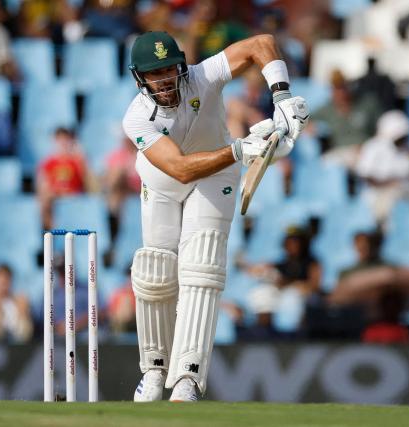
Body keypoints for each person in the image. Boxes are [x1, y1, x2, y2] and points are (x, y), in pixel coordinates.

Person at [122, 30, 308, 401]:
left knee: (202, 269)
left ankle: (188, 378)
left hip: (217, 175)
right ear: (140, 77)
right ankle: (154, 370)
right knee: (156, 271)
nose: (164, 80)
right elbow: (179, 169)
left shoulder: (202, 76)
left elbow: (260, 44)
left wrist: (281, 94)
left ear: (181, 65)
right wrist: (240, 150)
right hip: (165, 180)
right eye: (154, 74)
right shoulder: (137, 117)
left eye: (169, 69)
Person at [36, 127, 89, 229]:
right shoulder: (49, 163)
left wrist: (81, 157)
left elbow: (87, 181)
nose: (63, 143)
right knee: (44, 199)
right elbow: (42, 184)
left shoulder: (76, 161)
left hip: (74, 195)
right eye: (60, 140)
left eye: (65, 140)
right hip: (55, 195)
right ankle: (53, 231)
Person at [0, 264, 33, 342]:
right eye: (0, 281)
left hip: (18, 338)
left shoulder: (18, 300)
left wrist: (23, 310)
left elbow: (27, 326)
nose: (3, 285)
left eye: (6, 281)